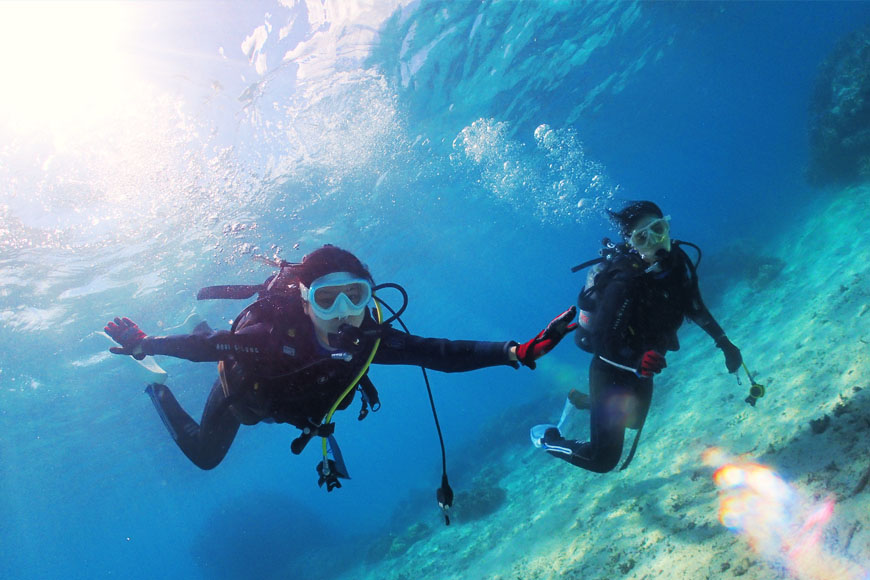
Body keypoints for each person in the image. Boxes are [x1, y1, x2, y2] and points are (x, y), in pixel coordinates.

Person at [105, 244, 576, 492]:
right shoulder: (269, 336)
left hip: (303, 406)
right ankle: (158, 395)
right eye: (327, 300)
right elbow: (207, 347)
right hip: (246, 396)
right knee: (206, 457)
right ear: (305, 302)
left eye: (357, 297)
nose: (345, 313)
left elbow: (438, 352)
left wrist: (516, 352)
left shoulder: (370, 337)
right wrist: (146, 344)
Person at [534, 201, 742, 473]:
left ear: (667, 226)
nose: (656, 241)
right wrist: (636, 361)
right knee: (603, 460)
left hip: (645, 361)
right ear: (632, 244)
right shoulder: (625, 281)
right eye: (642, 237)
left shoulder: (678, 261)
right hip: (611, 367)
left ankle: (589, 403)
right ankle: (548, 439)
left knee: (633, 421)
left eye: (658, 229)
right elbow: (601, 342)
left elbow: (694, 305)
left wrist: (724, 343)